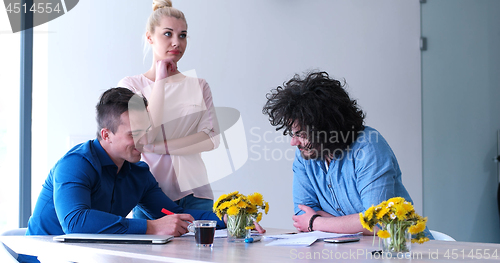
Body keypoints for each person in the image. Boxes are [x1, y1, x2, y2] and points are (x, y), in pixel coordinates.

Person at [26, 88, 224, 236]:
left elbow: (172, 213)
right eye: (134, 134)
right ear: (107, 135)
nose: (145, 141)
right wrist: (151, 227)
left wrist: (230, 219)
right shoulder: (75, 164)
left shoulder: (139, 175)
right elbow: (75, 222)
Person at [262, 71, 432, 237]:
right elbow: (302, 215)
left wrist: (317, 222)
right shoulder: (305, 156)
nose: (294, 142)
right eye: (293, 134)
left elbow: (378, 222)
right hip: (349, 252)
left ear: (327, 129)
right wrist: (353, 222)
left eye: (302, 135)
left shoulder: (368, 148)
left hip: (404, 251)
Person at [117, 0, 218, 217]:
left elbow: (211, 140)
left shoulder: (199, 85)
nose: (176, 42)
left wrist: (155, 147)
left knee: (204, 250)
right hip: (149, 195)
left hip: (197, 194)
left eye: (182, 35)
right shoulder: (130, 86)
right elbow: (143, 135)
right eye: (168, 34)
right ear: (149, 37)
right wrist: (161, 79)